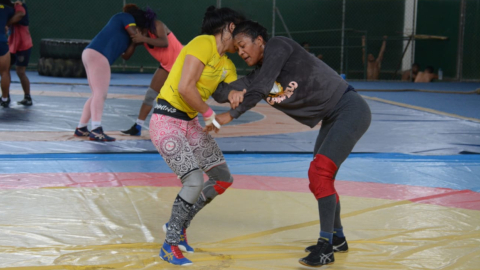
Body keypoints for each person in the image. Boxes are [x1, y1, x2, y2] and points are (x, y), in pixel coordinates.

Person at [210, 21, 371, 267]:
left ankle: (325, 247)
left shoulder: (278, 45)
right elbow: (222, 93)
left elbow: (261, 88)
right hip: (332, 117)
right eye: (237, 50)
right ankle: (337, 238)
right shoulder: (259, 75)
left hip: (350, 109)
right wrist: (207, 71)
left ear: (259, 40)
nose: (241, 53)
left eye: (243, 46)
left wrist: (232, 114)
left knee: (320, 173)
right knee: (321, 177)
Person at [149, 6, 244, 266]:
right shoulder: (203, 43)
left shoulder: (227, 64)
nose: (244, 44)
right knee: (193, 180)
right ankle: (169, 245)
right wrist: (209, 113)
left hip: (189, 123)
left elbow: (227, 92)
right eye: (243, 34)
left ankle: (178, 226)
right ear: (231, 28)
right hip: (166, 119)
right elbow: (185, 87)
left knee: (222, 178)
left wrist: (247, 90)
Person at [74, 5, 154, 141]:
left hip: (91, 53)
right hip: (98, 55)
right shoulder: (125, 17)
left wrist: (136, 43)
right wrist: (146, 39)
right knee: (100, 94)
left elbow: (126, 56)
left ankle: (81, 128)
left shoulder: (127, 33)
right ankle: (96, 129)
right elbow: (135, 33)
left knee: (96, 94)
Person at [120, 5, 183, 136]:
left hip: (182, 65)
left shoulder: (157, 25)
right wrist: (133, 41)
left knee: (176, 99)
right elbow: (126, 56)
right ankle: (138, 126)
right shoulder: (140, 34)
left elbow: (164, 42)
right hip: (166, 66)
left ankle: (181, 128)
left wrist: (142, 39)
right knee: (150, 96)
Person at [8, 0, 32, 106]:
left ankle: (27, 97)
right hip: (11, 44)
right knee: (5, 70)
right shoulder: (9, 6)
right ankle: (5, 96)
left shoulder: (20, 6)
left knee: (20, 71)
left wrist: (6, 22)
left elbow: (20, 14)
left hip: (23, 45)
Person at [0, 0, 23, 108]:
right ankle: (4, 98)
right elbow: (20, 13)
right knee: (4, 72)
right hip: (1, 40)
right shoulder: (9, 8)